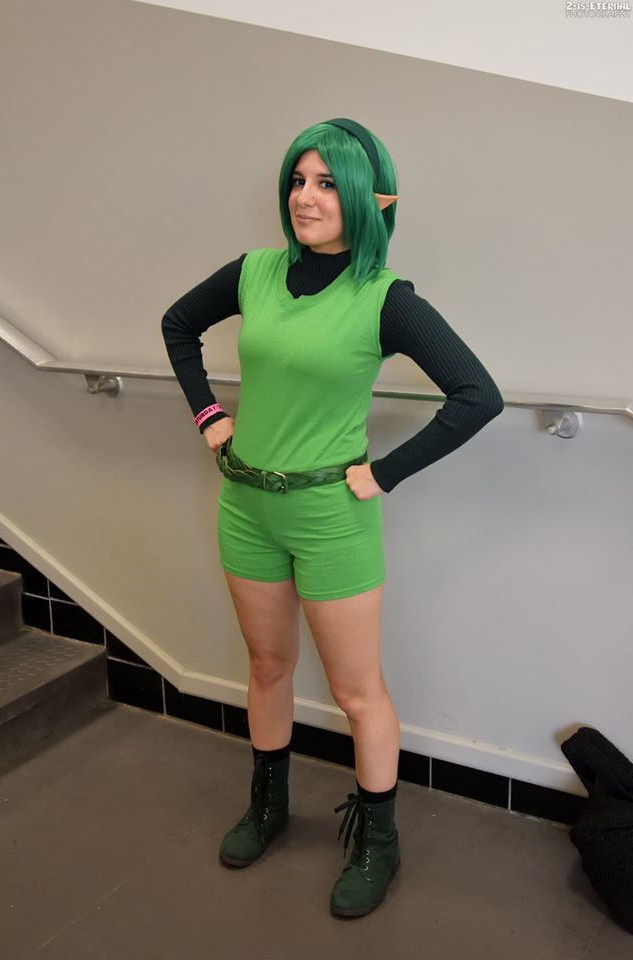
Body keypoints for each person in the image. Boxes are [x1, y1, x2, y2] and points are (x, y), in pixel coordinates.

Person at [161, 118, 504, 919]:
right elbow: (178, 325)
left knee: (357, 694)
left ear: (370, 200)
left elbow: (477, 395)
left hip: (330, 518)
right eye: (297, 180)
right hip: (245, 504)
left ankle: (379, 840)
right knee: (267, 666)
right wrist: (210, 416)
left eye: (325, 183)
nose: (304, 197)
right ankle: (269, 805)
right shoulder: (254, 272)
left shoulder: (385, 299)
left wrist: (384, 473)